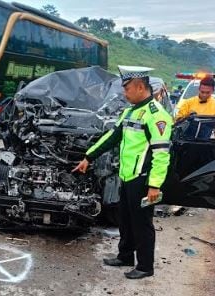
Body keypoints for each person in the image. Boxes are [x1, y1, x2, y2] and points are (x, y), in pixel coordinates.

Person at [73, 65, 173, 279]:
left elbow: (162, 154)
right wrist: (88, 157)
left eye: (126, 89)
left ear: (139, 87)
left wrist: (155, 185)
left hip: (143, 180)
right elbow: (112, 137)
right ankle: (125, 256)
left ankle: (145, 266)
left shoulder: (157, 116)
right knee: (125, 220)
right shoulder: (130, 112)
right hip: (127, 176)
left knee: (142, 224)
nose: (124, 94)